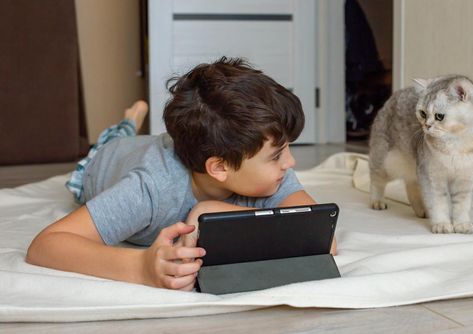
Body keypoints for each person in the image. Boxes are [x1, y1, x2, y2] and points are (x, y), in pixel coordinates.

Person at [26, 57, 336, 291]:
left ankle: (132, 124)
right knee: (115, 139)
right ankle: (129, 121)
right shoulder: (150, 188)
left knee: (145, 142)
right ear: (220, 168)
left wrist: (210, 211)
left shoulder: (272, 175)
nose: (291, 163)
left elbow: (321, 238)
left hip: (160, 148)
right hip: (105, 161)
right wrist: (141, 267)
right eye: (278, 155)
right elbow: (46, 245)